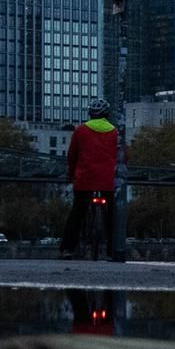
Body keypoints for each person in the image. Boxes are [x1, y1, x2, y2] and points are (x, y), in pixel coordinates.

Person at [60, 98, 120, 260]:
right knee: (111, 216)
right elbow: (122, 155)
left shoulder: (81, 130)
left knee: (77, 214)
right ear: (107, 115)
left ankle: (67, 249)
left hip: (84, 178)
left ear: (90, 114)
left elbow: (72, 155)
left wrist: (71, 175)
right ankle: (112, 250)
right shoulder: (114, 132)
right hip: (106, 180)